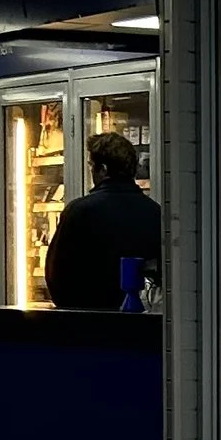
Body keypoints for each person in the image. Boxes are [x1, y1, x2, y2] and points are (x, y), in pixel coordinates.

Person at [45, 129, 162, 311]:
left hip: (89, 322)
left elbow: (57, 275)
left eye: (92, 165)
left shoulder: (80, 211)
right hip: (143, 322)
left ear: (103, 169)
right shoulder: (155, 212)